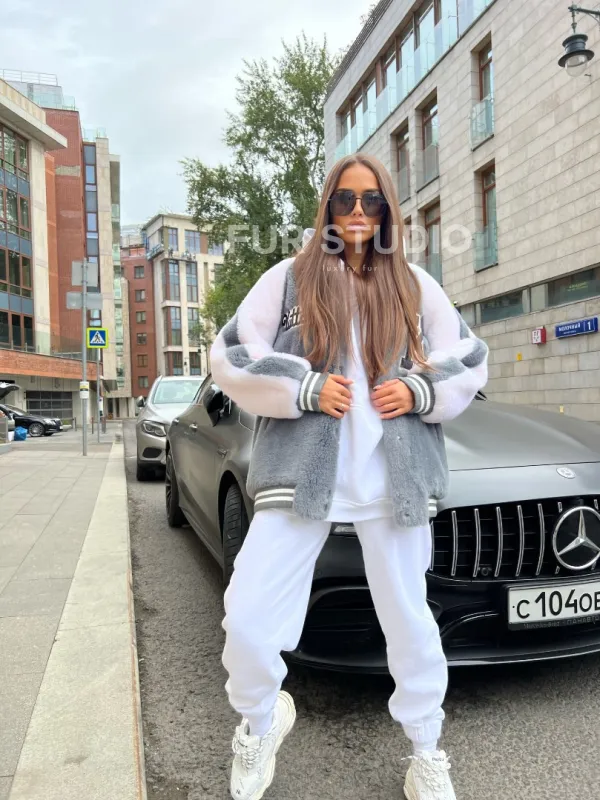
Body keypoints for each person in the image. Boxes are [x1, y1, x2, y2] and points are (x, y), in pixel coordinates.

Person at [210, 153, 489, 800]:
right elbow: (232, 351)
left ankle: (426, 750)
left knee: (411, 623)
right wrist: (303, 387)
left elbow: (470, 355)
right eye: (345, 199)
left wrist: (419, 389)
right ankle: (260, 722)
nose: (358, 211)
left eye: (371, 200)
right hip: (300, 478)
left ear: (387, 209)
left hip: (394, 481)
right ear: (328, 207)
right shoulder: (289, 278)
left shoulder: (413, 284)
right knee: (247, 618)